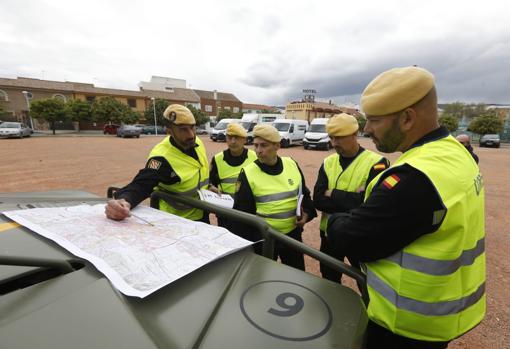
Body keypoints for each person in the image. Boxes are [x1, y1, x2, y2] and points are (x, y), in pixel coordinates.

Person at [327, 66, 485, 348]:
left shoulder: (415, 177)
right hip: (440, 314)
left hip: (405, 324)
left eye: (374, 120)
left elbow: (348, 239)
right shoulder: (456, 153)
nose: (366, 129)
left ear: (408, 118)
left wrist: (340, 217)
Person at [313, 113, 389, 283]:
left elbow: (371, 205)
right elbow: (318, 199)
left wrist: (332, 193)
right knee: (329, 278)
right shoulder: (328, 162)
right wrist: (355, 198)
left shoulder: (377, 163)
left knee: (365, 281)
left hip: (360, 234)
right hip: (329, 234)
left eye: (339, 138)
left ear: (355, 134)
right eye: (332, 137)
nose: (334, 143)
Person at [105, 104, 210, 223]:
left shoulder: (197, 142)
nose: (191, 135)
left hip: (201, 212)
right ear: (169, 131)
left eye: (192, 127)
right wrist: (124, 201)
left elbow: (200, 170)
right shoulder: (161, 158)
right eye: (183, 129)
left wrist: (210, 186)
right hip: (177, 221)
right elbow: (141, 184)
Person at [231, 124, 317, 270]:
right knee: (263, 278)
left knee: (296, 276)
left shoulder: (292, 165)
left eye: (264, 145)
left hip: (292, 237)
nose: (258, 151)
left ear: (277, 146)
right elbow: (242, 217)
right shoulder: (247, 173)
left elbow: (305, 196)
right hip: (264, 240)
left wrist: (306, 215)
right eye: (256, 145)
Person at [209, 122, 257, 227]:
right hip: (225, 214)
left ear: (244, 139)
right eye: (229, 138)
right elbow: (210, 182)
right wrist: (212, 188)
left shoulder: (254, 157)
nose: (233, 141)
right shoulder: (217, 159)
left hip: (248, 213)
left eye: (237, 138)